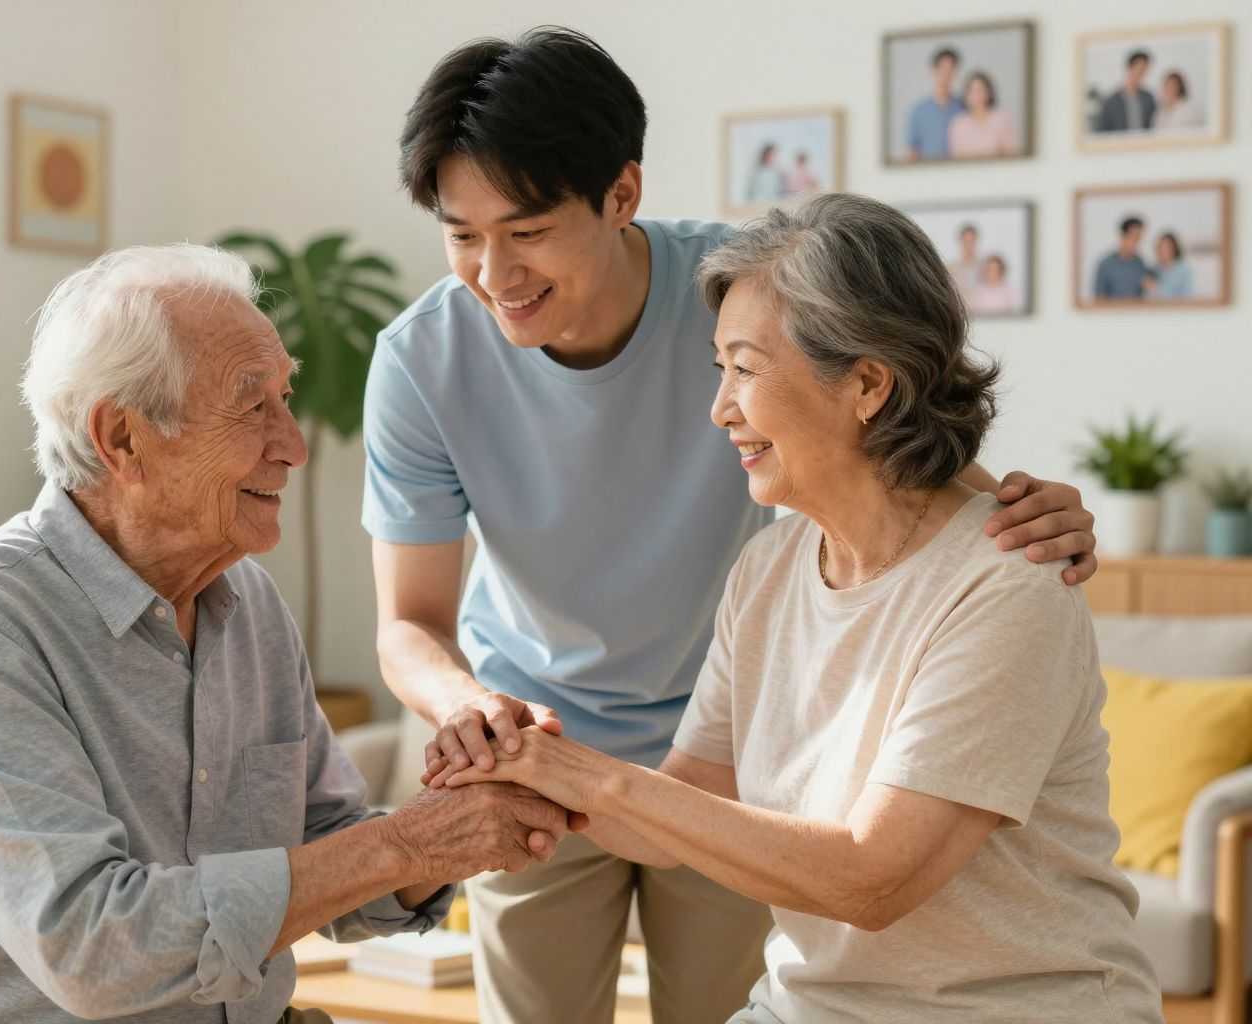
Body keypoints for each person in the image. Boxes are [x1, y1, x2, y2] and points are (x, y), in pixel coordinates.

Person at [367, 27, 1101, 1024]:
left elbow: (882, 410)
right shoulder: (421, 362)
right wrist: (480, 718)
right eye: (462, 233)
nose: (494, 271)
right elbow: (410, 620)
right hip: (546, 738)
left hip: (742, 772)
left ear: (621, 194)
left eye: (527, 229)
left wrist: (1003, 510)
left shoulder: (745, 288)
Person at [0, 245, 576, 1024]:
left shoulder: (248, 605)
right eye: (251, 405)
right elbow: (95, 950)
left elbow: (328, 842)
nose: (294, 445)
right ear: (122, 438)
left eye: (284, 397)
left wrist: (457, 816)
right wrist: (408, 845)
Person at [905, 47, 963, 160]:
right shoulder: (918, 111)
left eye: (950, 71)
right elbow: (911, 152)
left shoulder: (963, 107)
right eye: (942, 70)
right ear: (933, 71)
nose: (946, 76)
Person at [947, 70, 1017, 157]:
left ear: (989, 92)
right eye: (972, 90)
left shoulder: (1001, 118)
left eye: (980, 90)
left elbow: (1010, 153)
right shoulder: (958, 124)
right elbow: (956, 158)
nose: (976, 95)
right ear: (966, 95)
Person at [1098, 50, 1157, 132]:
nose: (1142, 75)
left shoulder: (1148, 99)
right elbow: (1103, 133)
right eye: (1140, 70)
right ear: (1129, 69)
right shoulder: (1110, 103)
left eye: (1144, 71)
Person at [1094, 216, 1152, 299]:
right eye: (1134, 238)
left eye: (1139, 239)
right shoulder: (1106, 264)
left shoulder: (1140, 263)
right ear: (1123, 236)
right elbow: (1099, 298)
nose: (1137, 243)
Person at [1147, 231, 1193, 299]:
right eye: (1159, 247)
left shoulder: (1184, 271)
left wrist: (1157, 288)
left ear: (1174, 249)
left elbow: (1187, 297)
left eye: (1166, 247)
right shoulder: (1154, 270)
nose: (1162, 251)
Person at [947, 222, 982, 298]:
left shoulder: (985, 266)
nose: (969, 245)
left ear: (976, 242)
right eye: (966, 241)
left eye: (971, 241)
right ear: (960, 242)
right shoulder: (951, 268)